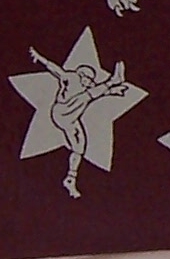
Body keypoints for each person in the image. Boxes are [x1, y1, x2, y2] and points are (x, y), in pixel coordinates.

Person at [29, 47, 126, 198]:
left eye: (91, 81)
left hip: (70, 120)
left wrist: (113, 92)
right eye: (88, 79)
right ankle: (113, 81)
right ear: (81, 74)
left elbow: (93, 94)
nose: (90, 83)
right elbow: (55, 69)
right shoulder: (71, 77)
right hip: (61, 111)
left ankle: (70, 178)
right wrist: (39, 57)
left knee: (80, 146)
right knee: (85, 97)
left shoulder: (87, 89)